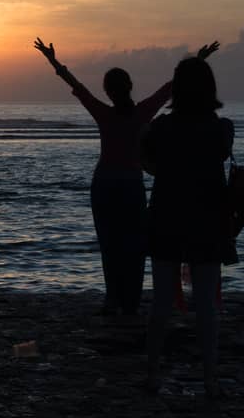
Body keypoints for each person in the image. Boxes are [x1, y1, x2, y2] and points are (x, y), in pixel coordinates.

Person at [35, 37, 218, 316]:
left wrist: (52, 60)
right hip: (130, 184)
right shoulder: (142, 112)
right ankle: (129, 300)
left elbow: (77, 87)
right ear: (129, 87)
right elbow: (170, 88)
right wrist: (200, 59)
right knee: (133, 244)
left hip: (105, 184)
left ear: (108, 91)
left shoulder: (105, 113)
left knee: (110, 244)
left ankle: (113, 298)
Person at [142, 56, 235, 399]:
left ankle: (153, 374)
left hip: (167, 215)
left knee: (162, 302)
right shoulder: (221, 129)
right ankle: (210, 378)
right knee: (207, 303)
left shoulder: (162, 128)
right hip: (207, 218)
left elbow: (149, 164)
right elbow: (223, 154)